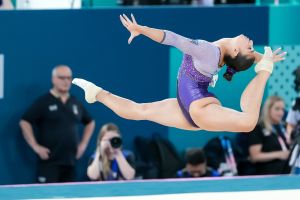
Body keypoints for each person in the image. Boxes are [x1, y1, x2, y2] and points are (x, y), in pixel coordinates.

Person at [72, 14, 286, 133]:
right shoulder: (222, 54)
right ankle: (96, 93)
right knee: (140, 111)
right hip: (188, 108)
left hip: (199, 108)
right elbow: (241, 59)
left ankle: (264, 74)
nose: (252, 43)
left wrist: (142, 29)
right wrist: (260, 57)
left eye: (250, 47)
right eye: (252, 47)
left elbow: (173, 39)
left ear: (237, 51)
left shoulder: (209, 51)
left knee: (248, 123)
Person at [20, 65, 95, 183]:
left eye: (69, 78)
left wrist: (83, 144)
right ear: (53, 79)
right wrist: (35, 146)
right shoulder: (44, 101)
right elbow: (25, 122)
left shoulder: (75, 102)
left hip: (71, 162)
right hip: (49, 163)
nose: (66, 81)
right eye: (62, 78)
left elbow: (90, 122)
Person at [248, 96, 290, 175]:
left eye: (282, 109)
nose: (281, 113)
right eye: (277, 109)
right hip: (269, 172)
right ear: (268, 110)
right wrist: (279, 154)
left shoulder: (283, 127)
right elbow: (255, 157)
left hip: (286, 169)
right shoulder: (258, 129)